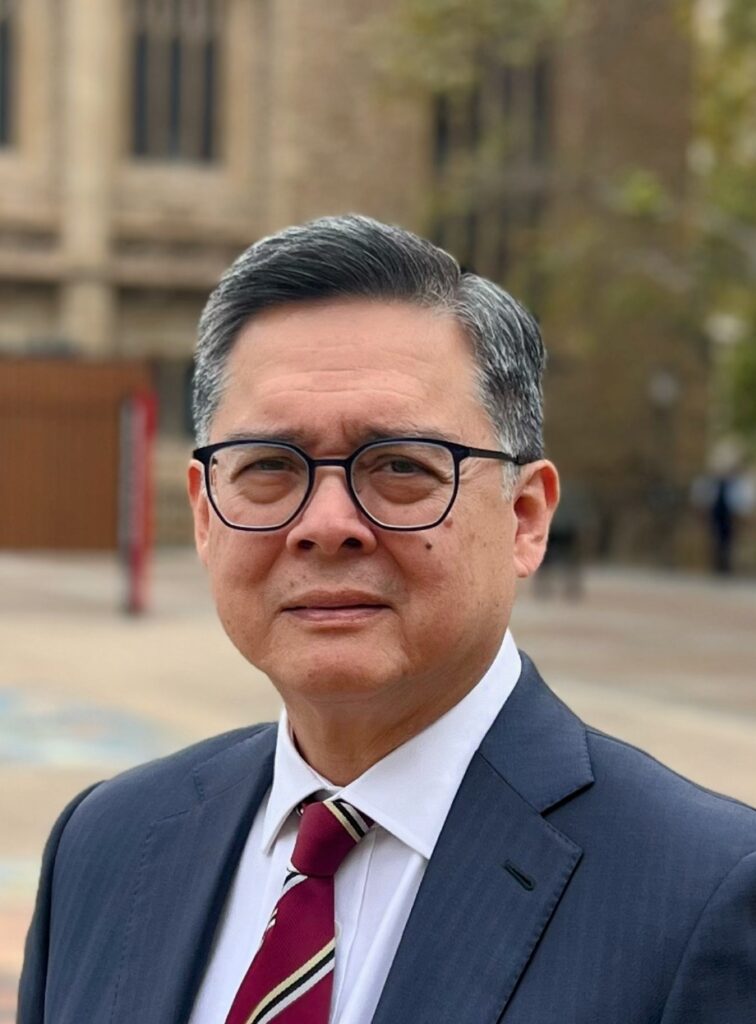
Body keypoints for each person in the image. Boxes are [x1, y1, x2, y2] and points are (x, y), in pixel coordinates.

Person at [19, 216, 756, 1024]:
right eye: (269, 466)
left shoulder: (706, 896)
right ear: (205, 515)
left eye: (399, 466)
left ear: (525, 517)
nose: (326, 523)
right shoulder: (104, 844)